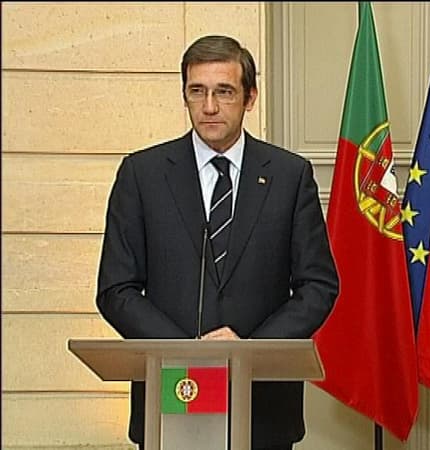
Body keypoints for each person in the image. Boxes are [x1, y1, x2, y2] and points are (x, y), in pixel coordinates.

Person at [96, 35, 339, 450]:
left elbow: (318, 286)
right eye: (197, 92)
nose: (209, 106)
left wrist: (248, 351)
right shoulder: (142, 174)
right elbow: (116, 289)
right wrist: (189, 355)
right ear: (185, 96)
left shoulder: (288, 176)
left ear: (250, 97)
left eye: (224, 91)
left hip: (262, 405)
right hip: (171, 396)